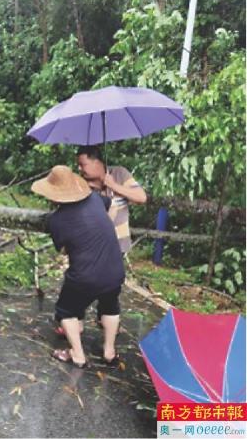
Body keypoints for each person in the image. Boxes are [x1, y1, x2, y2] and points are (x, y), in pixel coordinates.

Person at [31, 165, 125, 368]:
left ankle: (77, 354)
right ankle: (109, 352)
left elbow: (64, 250)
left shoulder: (56, 220)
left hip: (85, 276)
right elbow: (112, 204)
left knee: (66, 311)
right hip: (115, 270)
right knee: (110, 305)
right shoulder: (95, 199)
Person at [76, 145, 147, 255]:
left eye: (82, 165)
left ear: (97, 163)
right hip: (93, 246)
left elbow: (141, 198)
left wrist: (114, 185)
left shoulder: (120, 173)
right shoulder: (79, 184)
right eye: (78, 165)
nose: (79, 169)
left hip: (119, 246)